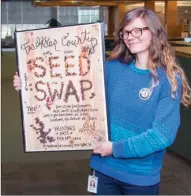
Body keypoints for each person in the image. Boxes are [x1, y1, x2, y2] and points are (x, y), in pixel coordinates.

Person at [13, 7, 191, 195]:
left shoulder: (167, 80)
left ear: (154, 32)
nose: (130, 36)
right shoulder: (112, 68)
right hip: (103, 168)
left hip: (139, 176)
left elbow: (162, 135)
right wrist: (30, 86)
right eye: (126, 32)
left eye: (138, 30)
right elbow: (72, 93)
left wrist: (115, 149)